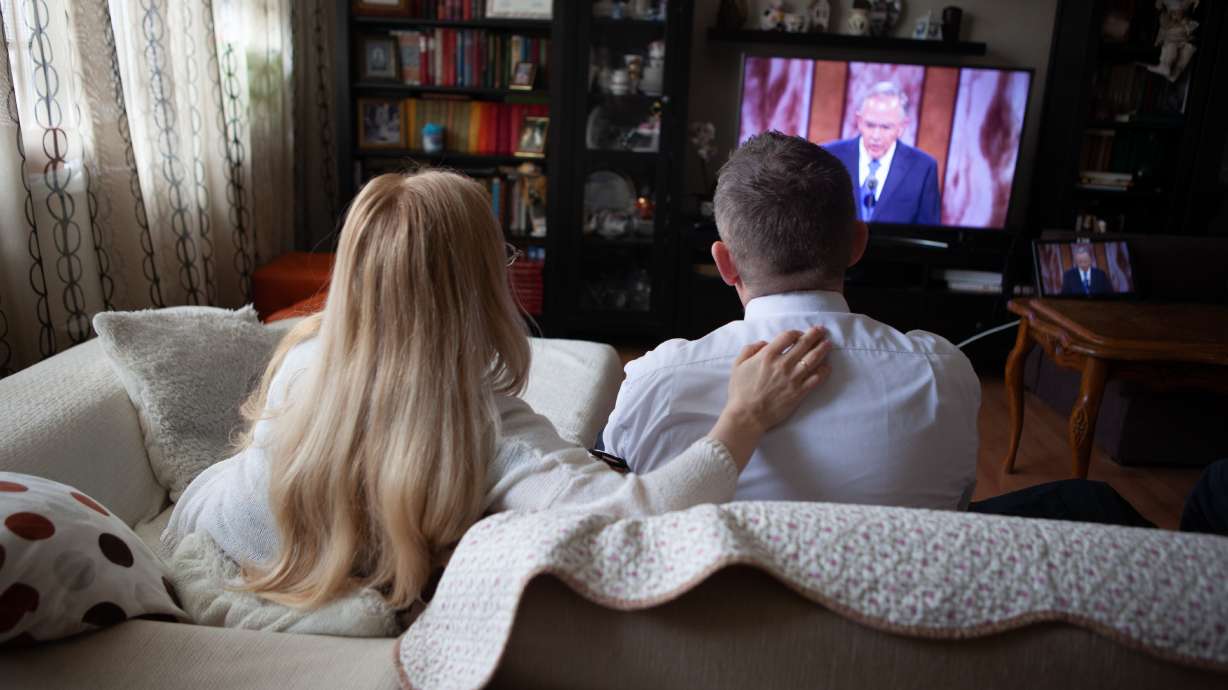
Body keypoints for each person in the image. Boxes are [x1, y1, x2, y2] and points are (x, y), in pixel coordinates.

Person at [163, 170, 833, 610]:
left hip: (206, 528)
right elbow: (641, 518)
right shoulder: (487, 431)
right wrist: (743, 417)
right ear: (482, 285)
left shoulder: (304, 351)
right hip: (255, 578)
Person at [602, 132, 981, 510]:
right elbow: (960, 504)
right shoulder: (945, 374)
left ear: (724, 262)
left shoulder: (656, 381)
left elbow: (621, 503)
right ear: (858, 244)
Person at [822, 82, 941, 226]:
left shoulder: (923, 168)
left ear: (901, 127)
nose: (876, 135)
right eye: (870, 125)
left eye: (886, 127)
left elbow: (928, 232)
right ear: (859, 121)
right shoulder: (829, 156)